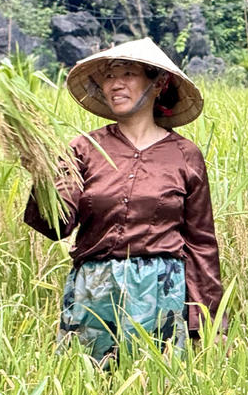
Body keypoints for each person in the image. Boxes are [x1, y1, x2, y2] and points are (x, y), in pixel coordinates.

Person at [24, 38, 223, 363]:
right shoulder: (83, 149)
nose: (115, 84)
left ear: (158, 83)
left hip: (160, 294)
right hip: (94, 290)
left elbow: (201, 242)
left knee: (154, 394)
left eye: (128, 74)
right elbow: (57, 225)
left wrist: (207, 319)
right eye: (108, 76)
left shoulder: (184, 155)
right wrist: (43, 174)